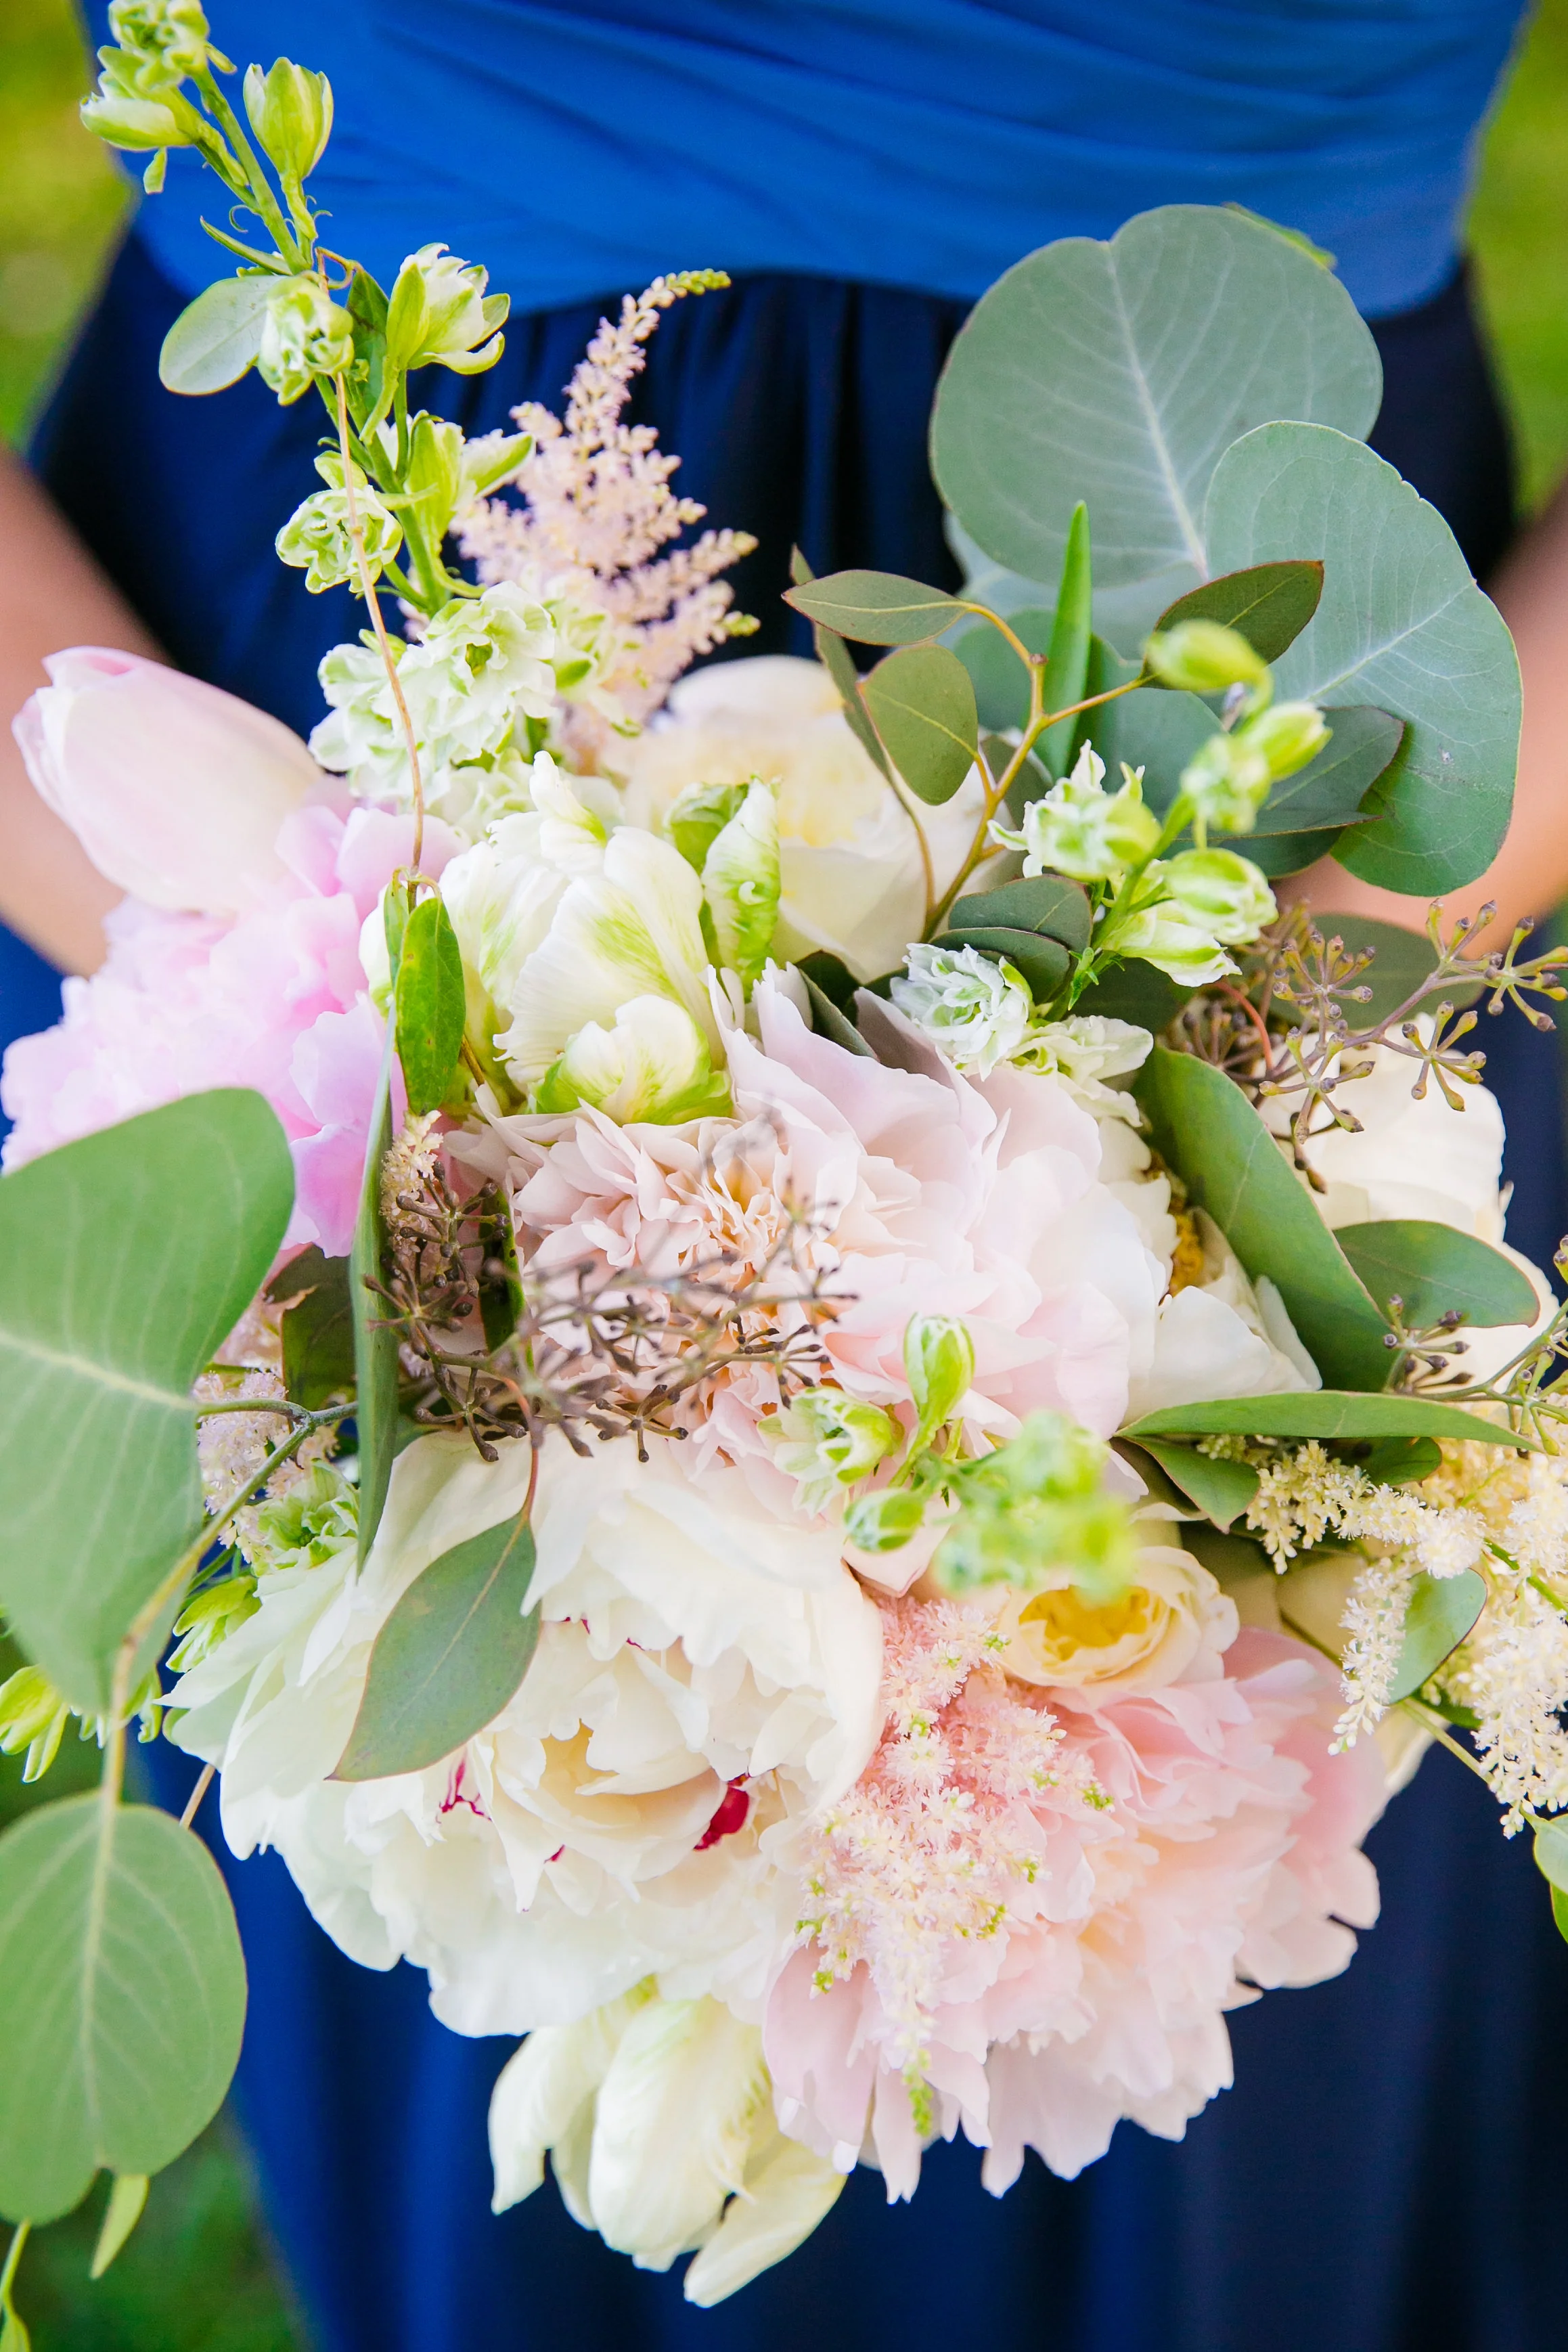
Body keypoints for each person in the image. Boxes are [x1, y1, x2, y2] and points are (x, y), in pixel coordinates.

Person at [3, 7, 1568, 2347]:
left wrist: (1215, 1097)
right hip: (327, 730)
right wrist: (314, 1006)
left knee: (1204, 2024)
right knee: (497, 1843)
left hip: (1254, 753)